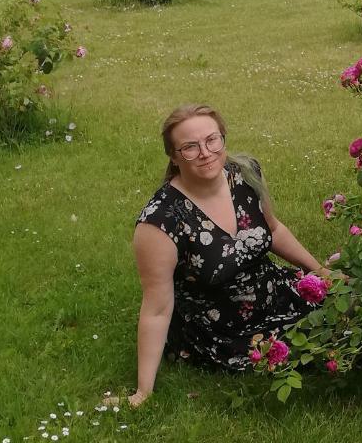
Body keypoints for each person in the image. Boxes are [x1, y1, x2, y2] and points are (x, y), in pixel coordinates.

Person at [119, 104, 327, 406]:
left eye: (212, 140)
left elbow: (274, 230)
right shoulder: (161, 222)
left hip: (272, 292)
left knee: (348, 308)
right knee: (315, 350)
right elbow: (157, 309)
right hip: (221, 328)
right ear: (174, 157)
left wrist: (319, 270)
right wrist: (143, 392)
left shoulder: (245, 173)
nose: (205, 152)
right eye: (190, 147)